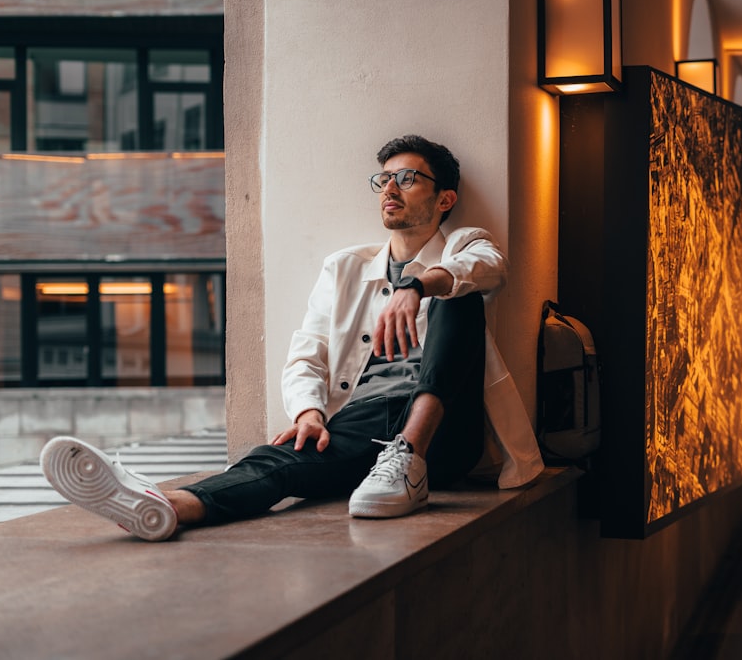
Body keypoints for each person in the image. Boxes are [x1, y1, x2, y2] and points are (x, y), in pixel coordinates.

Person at [40, 134, 543, 541]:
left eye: (407, 178)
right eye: (384, 178)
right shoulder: (344, 266)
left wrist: (415, 284)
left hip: (443, 434)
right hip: (363, 423)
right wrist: (309, 413)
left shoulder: (463, 244)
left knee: (461, 295)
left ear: (444, 198)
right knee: (279, 462)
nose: (390, 187)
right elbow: (308, 352)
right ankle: (165, 506)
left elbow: (488, 269)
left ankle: (408, 459)